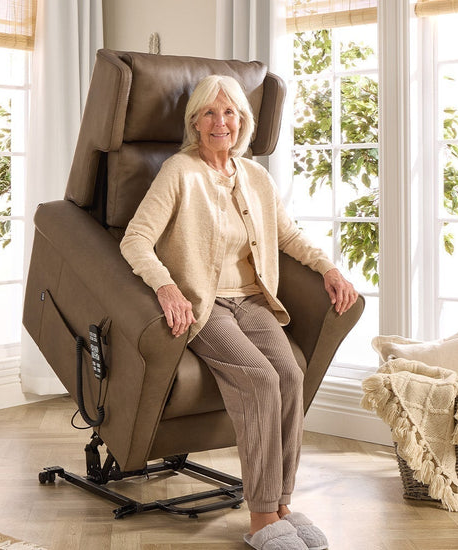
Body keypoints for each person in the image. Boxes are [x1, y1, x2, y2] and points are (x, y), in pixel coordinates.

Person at [120, 74, 358, 550]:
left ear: (243, 121)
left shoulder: (255, 176)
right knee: (260, 379)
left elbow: (288, 235)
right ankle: (261, 518)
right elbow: (135, 239)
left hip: (252, 299)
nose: (220, 122)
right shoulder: (179, 172)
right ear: (195, 121)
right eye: (209, 112)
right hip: (206, 306)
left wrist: (328, 268)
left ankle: (283, 505)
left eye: (229, 112)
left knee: (290, 374)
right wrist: (167, 287)